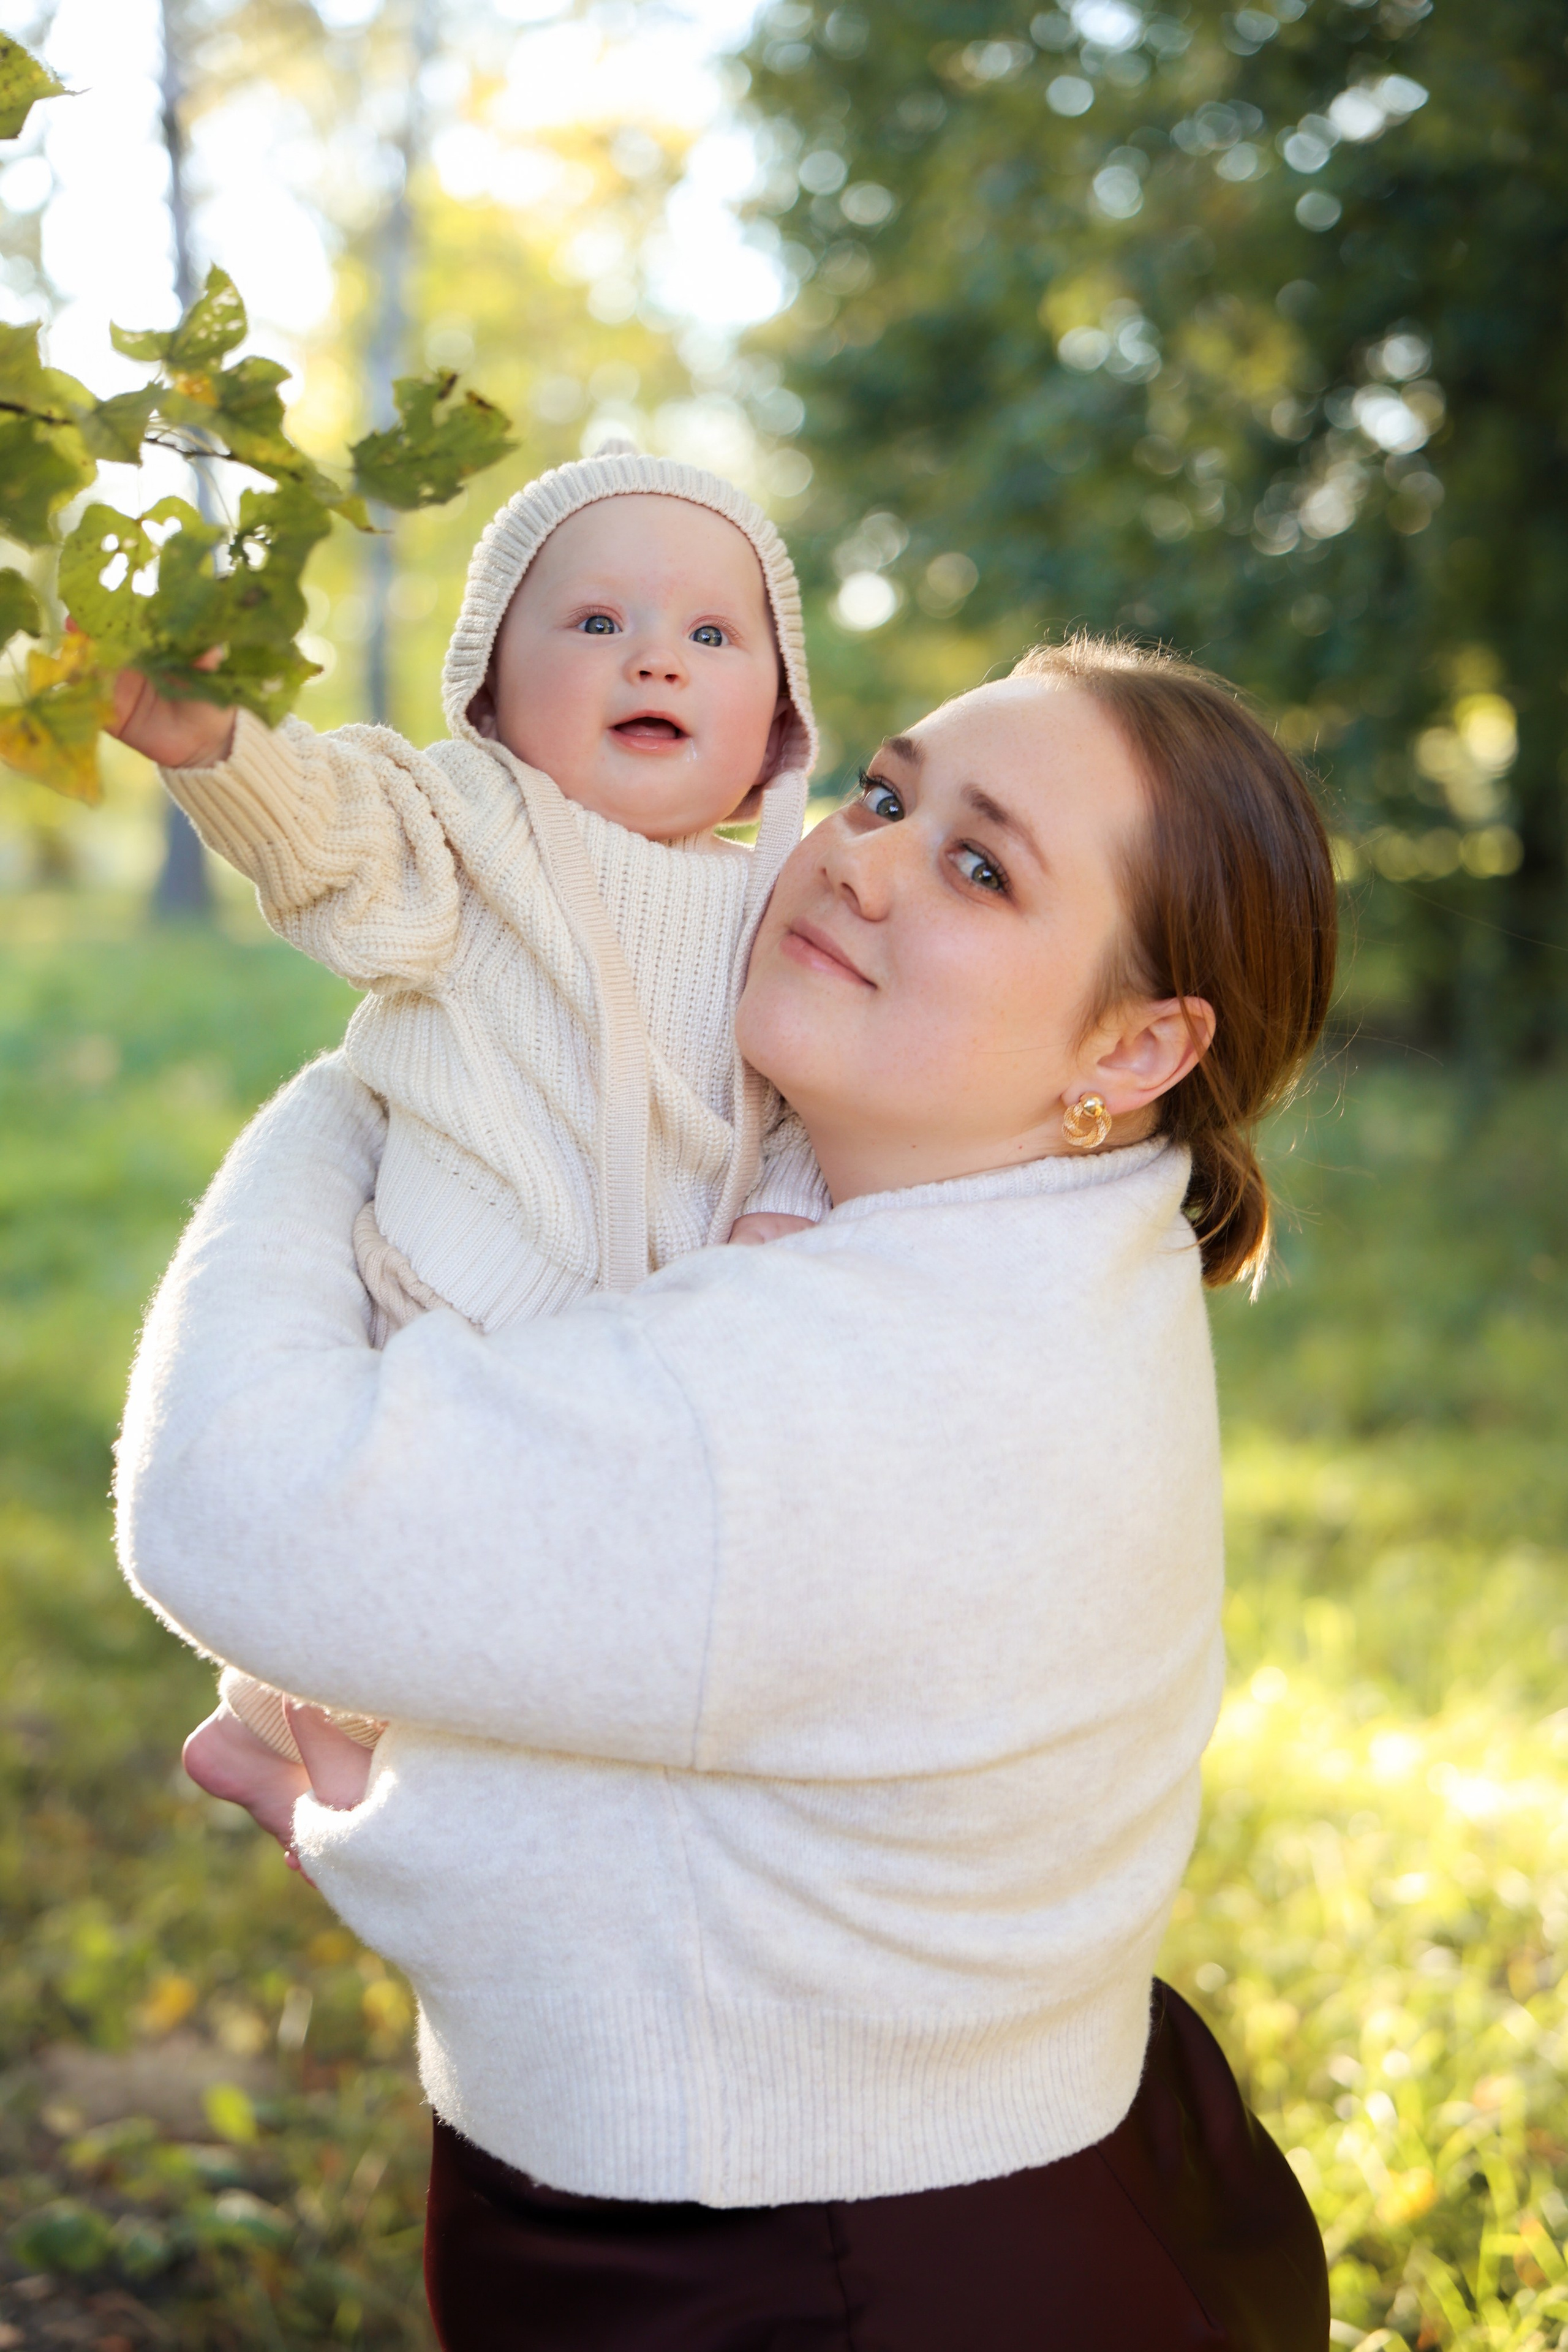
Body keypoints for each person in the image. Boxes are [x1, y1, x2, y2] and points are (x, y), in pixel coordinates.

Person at [117, 635, 1337, 2350]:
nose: (865, 857)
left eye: (982, 868)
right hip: (1023, 2158)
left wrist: (372, 1082)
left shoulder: (825, 1390)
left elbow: (236, 1502)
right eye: (887, 791)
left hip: (803, 2275)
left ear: (1137, 1049)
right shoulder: (1073, 1239)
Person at [107, 445, 826, 1823]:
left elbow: (830, 1094)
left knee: (610, 1670)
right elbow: (334, 837)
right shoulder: (457, 827)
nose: (654, 662)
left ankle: (351, 1763)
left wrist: (788, 1195)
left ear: (778, 724)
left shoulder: (783, 909)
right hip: (455, 1322)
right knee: (400, 1611)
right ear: (491, 688)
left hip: (663, 1363)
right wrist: (223, 749)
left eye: (711, 635)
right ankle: (293, 1733)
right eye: (598, 623)